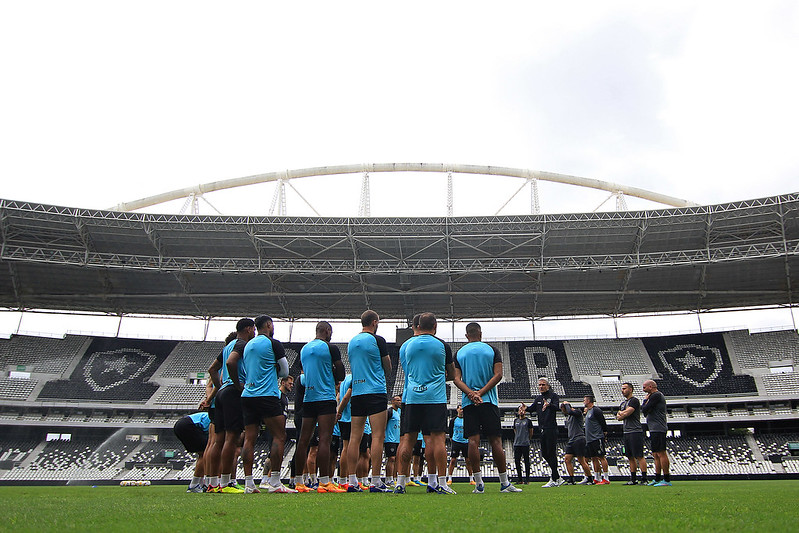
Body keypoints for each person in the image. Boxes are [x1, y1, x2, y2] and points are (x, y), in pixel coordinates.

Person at [454, 322, 521, 493]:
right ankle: (504, 483)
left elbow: (456, 379)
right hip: (489, 401)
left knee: (472, 441)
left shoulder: (459, 353)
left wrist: (471, 394)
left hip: (469, 403)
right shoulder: (492, 350)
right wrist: (481, 393)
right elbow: (498, 374)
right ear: (481, 334)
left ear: (467, 336)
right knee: (496, 441)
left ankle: (478, 484)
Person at [394, 312, 456, 495]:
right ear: (435, 326)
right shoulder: (442, 345)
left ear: (418, 325)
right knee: (437, 440)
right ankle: (441, 483)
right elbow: (452, 374)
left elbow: (407, 371)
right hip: (435, 398)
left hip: (412, 397)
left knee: (407, 440)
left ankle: (400, 483)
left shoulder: (406, 346)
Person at [238, 315, 295, 493]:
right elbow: (285, 371)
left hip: (248, 394)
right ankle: (275, 483)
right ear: (269, 325)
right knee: (279, 436)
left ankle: (248, 483)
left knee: (249, 438)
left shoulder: (248, 345)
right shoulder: (273, 343)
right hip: (267, 395)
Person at [292, 321, 347, 493]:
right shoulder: (331, 348)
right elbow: (341, 374)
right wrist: (331, 371)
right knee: (325, 439)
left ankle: (299, 482)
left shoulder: (305, 349)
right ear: (327, 331)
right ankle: (324, 483)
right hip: (325, 398)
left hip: (309, 398)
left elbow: (304, 370)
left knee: (303, 441)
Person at [345, 310, 392, 493]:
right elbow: (387, 366)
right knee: (377, 436)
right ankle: (376, 481)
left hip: (357, 392)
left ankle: (352, 481)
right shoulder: (378, 340)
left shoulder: (352, 342)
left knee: (354, 438)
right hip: (375, 391)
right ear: (374, 322)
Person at [208, 318, 255, 493]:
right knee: (232, 438)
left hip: (221, 394)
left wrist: (221, 388)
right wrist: (237, 386)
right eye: (254, 330)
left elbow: (212, 369)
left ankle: (212, 483)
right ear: (249, 329)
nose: (255, 333)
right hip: (233, 393)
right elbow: (230, 363)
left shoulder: (228, 346)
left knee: (217, 440)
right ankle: (226, 483)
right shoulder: (241, 344)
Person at [527, 377, 563, 487]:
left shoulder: (553, 396)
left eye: (543, 385)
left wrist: (549, 405)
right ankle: (557, 477)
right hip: (541, 429)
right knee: (545, 454)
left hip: (551, 428)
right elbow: (531, 408)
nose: (541, 387)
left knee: (551, 453)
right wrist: (524, 408)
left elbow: (557, 407)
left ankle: (554, 478)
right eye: (540, 385)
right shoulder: (538, 398)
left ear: (548, 386)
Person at [260, 375, 293, 489]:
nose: (291, 386)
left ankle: (269, 479)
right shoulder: (277, 395)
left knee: (275, 454)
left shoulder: (286, 398)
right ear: (283, 383)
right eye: (289, 383)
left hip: (281, 428)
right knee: (271, 454)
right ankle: (265, 479)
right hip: (273, 427)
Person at [641, 379, 671, 486]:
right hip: (654, 428)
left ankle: (666, 479)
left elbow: (645, 409)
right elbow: (645, 412)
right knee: (655, 454)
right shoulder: (653, 397)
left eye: (644, 387)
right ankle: (657, 478)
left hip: (658, 428)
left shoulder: (656, 395)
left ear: (651, 387)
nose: (643, 389)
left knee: (661, 453)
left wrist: (645, 401)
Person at [616, 382, 647, 485]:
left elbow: (626, 413)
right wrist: (622, 413)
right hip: (626, 431)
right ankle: (633, 478)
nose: (622, 390)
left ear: (630, 389)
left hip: (635, 431)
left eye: (624, 388)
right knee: (629, 456)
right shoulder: (623, 403)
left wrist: (622, 413)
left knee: (639, 455)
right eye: (622, 388)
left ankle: (644, 478)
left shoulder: (634, 401)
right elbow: (619, 417)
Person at [174, 411, 210, 492]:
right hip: (188, 425)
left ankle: (198, 484)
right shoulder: (214, 419)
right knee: (205, 453)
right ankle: (195, 485)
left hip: (180, 425)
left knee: (203, 453)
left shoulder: (209, 416)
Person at [560, 401, 593, 485]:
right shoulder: (569, 416)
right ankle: (571, 479)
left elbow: (570, 411)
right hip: (572, 440)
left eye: (564, 410)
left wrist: (567, 404)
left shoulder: (577, 412)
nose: (564, 412)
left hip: (578, 438)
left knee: (581, 460)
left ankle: (589, 478)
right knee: (567, 459)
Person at [583, 394, 610, 484]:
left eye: (584, 400)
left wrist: (604, 433)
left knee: (601, 457)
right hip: (589, 439)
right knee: (593, 458)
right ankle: (597, 477)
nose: (583, 402)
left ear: (588, 401)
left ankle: (606, 478)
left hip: (597, 437)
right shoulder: (588, 411)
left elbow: (603, 422)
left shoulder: (596, 410)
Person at [446, 405, 471, 485]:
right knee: (453, 460)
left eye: (463, 409)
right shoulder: (453, 420)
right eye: (460, 409)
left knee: (468, 461)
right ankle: (449, 478)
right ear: (457, 410)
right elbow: (450, 430)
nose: (462, 411)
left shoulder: (467, 419)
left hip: (465, 442)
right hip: (456, 442)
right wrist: (452, 438)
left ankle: (471, 479)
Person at [512, 403, 533, 485]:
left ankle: (527, 479)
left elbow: (531, 432)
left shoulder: (528, 421)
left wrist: (527, 439)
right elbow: (515, 431)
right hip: (517, 444)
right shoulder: (515, 421)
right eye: (520, 410)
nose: (521, 411)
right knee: (517, 461)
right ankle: (520, 479)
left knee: (526, 461)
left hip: (525, 444)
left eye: (522, 410)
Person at [384, 395, 402, 487]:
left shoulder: (398, 412)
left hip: (397, 439)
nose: (400, 402)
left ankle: (394, 478)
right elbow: (384, 424)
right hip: (389, 439)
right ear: (392, 401)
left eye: (400, 400)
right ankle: (388, 478)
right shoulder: (389, 411)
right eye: (397, 400)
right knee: (391, 458)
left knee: (396, 459)